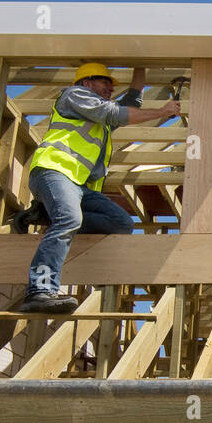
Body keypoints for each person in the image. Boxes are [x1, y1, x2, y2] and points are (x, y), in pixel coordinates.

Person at [16, 62, 181, 314]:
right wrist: (161, 112)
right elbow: (115, 112)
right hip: (55, 170)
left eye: (112, 85)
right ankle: (39, 290)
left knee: (121, 223)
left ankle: (45, 215)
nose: (110, 88)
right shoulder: (75, 96)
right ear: (86, 82)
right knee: (69, 219)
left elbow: (132, 102)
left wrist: (141, 63)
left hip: (79, 185)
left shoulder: (99, 118)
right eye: (105, 82)